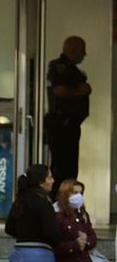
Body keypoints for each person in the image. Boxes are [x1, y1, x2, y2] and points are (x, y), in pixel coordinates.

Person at [46, 36, 90, 195]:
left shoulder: (72, 69)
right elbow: (59, 90)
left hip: (71, 125)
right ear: (73, 50)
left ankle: (66, 199)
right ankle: (57, 201)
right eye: (82, 51)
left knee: (70, 168)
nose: (84, 54)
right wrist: (80, 90)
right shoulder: (59, 67)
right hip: (62, 124)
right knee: (61, 167)